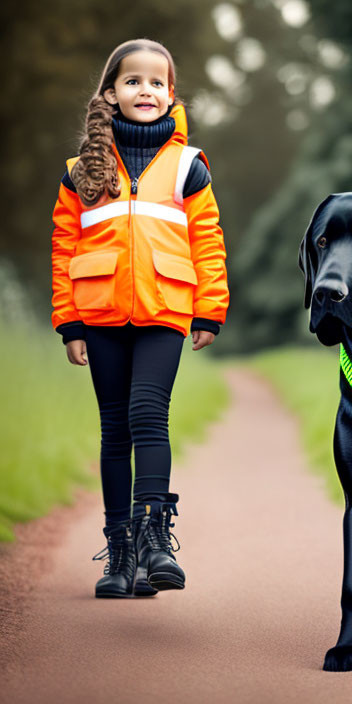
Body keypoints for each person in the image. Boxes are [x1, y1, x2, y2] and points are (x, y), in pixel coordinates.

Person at [50, 39, 229, 598]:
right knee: (114, 429)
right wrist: (69, 321)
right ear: (111, 93)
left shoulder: (186, 167)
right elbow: (63, 246)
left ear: (170, 95)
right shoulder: (81, 172)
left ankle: (155, 541)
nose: (145, 90)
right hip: (99, 313)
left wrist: (210, 308)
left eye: (157, 83)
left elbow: (207, 240)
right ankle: (121, 555)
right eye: (133, 81)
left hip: (165, 310)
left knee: (149, 411)